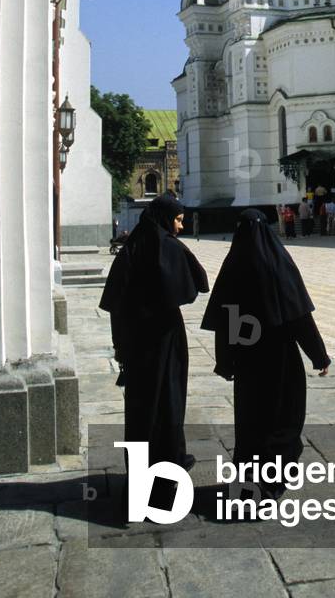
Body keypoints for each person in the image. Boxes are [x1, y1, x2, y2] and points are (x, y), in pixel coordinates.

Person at [201, 210, 331, 500]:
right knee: (284, 417)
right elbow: (299, 317)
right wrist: (318, 356)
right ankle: (272, 480)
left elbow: (226, 321)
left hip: (248, 362)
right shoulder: (278, 264)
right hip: (280, 358)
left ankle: (249, 480)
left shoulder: (233, 266)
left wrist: (225, 362)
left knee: (251, 422)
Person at [98, 196, 209, 515]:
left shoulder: (131, 250)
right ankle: (166, 483)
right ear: (164, 219)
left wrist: (121, 347)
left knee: (141, 412)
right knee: (169, 406)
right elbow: (199, 283)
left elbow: (114, 305)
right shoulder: (171, 248)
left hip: (136, 344)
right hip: (167, 341)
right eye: (177, 219)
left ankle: (139, 483)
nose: (181, 225)